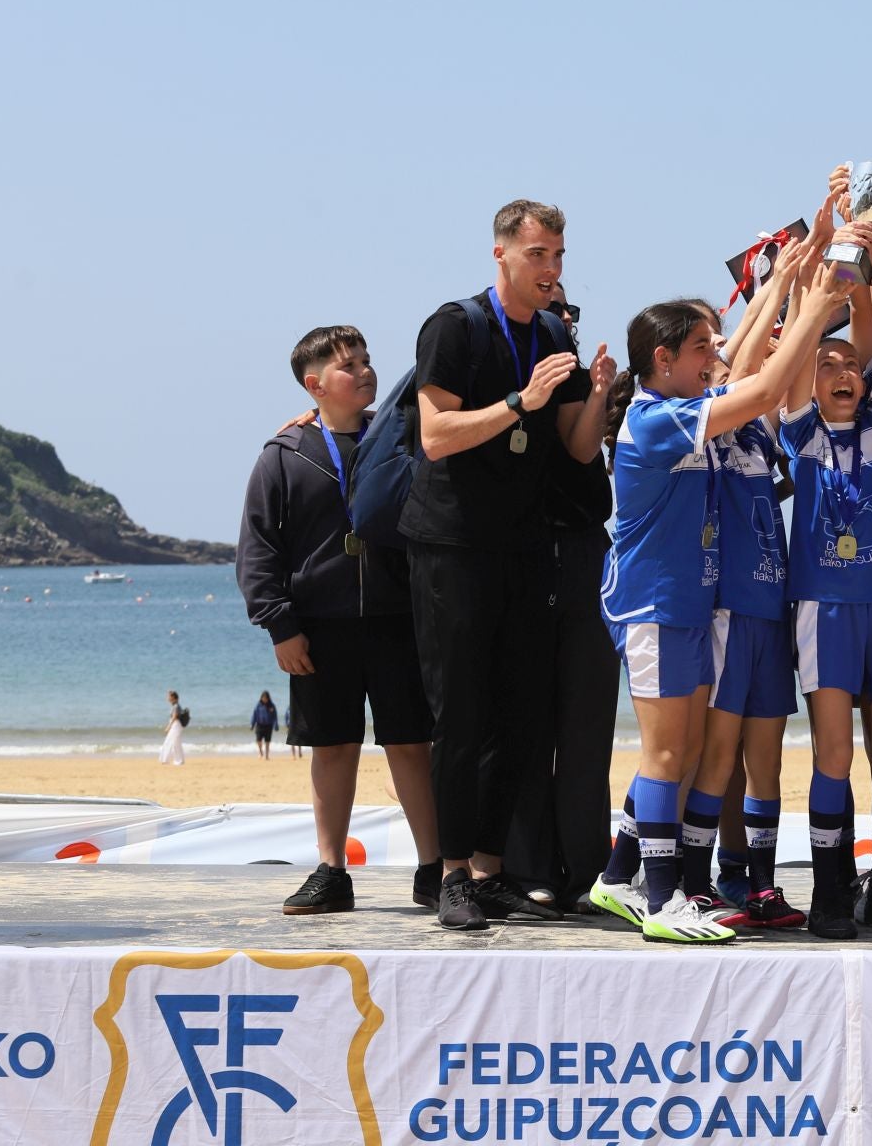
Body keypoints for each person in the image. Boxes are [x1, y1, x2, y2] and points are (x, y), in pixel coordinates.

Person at [590, 221, 841, 946]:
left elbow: (737, 364)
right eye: (701, 349)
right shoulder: (657, 420)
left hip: (689, 607)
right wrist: (815, 305)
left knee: (683, 751)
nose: (715, 357)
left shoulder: (677, 403)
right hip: (655, 608)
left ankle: (616, 878)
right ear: (664, 359)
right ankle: (663, 898)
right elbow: (759, 382)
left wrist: (782, 286)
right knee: (669, 755)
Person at [402, 200, 609, 932]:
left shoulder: (554, 332)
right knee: (460, 714)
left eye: (558, 255)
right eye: (537, 256)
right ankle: (451, 874)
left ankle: (489, 871)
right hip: (453, 544)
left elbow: (578, 450)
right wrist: (521, 400)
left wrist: (600, 393)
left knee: (523, 716)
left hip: (526, 545)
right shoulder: (456, 326)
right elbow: (435, 435)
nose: (551, 270)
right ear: (502, 255)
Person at [236, 325, 444, 917]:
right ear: (314, 384)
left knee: (411, 744)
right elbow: (258, 547)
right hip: (319, 625)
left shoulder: (399, 436)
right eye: (348, 365)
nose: (364, 371)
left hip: (397, 616)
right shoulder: (283, 455)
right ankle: (332, 871)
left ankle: (432, 869)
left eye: (366, 361)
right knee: (333, 747)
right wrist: (279, 624)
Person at [781, 220, 872, 939]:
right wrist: (819, 272)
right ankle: (832, 893)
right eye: (826, 363)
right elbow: (791, 356)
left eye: (849, 364)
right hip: (824, 609)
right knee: (834, 755)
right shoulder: (800, 432)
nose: (841, 373)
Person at [500, 287, 625, 914]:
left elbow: (582, 452)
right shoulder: (496, 371)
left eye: (568, 316)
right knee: (527, 722)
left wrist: (598, 390)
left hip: (583, 552)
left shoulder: (583, 376)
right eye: (552, 315)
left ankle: (587, 870)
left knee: (585, 724)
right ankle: (531, 871)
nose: (562, 323)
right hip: (516, 557)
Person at [159, 691, 187, 766]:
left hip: (176, 725)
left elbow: (174, 717)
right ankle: (178, 760)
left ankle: (169, 760)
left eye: (169, 697)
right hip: (176, 725)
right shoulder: (176, 706)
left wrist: (168, 727)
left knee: (172, 742)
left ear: (174, 698)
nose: (168, 698)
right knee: (175, 742)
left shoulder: (176, 706)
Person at [250, 690, 278, 760]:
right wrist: (252, 724)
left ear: (268, 698)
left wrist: (276, 725)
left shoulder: (272, 705)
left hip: (269, 726)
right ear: (261, 698)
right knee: (258, 740)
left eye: (266, 698)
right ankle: (260, 752)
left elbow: (275, 716)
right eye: (263, 698)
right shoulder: (258, 705)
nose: (264, 699)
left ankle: (267, 755)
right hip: (259, 725)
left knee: (267, 741)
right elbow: (254, 715)